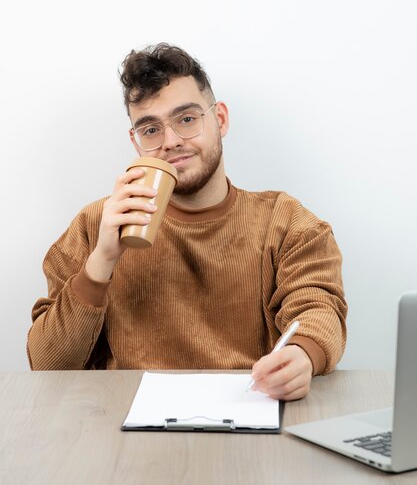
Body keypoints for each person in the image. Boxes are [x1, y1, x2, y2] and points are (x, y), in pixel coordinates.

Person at [27, 43, 347, 401]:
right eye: (150, 129)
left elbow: (319, 308)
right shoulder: (96, 225)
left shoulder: (287, 222)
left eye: (187, 119)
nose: (171, 141)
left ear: (220, 120)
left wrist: (303, 354)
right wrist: (101, 261)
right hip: (123, 428)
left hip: (251, 414)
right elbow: (46, 365)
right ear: (136, 142)